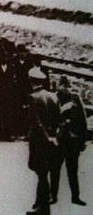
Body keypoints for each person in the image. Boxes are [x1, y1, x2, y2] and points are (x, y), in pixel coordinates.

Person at [26, 68, 61, 215]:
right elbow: (59, 119)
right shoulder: (53, 96)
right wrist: (54, 136)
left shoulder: (33, 97)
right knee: (44, 171)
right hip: (52, 139)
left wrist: (45, 136)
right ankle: (40, 202)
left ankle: (43, 208)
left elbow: (37, 122)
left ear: (31, 81)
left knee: (41, 172)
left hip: (39, 139)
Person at [50, 76, 88, 206]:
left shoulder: (75, 98)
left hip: (73, 140)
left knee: (72, 170)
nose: (66, 88)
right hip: (59, 140)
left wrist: (83, 139)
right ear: (58, 86)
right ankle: (53, 196)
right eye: (63, 85)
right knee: (55, 169)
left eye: (68, 86)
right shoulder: (53, 98)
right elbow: (50, 119)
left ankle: (75, 197)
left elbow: (83, 119)